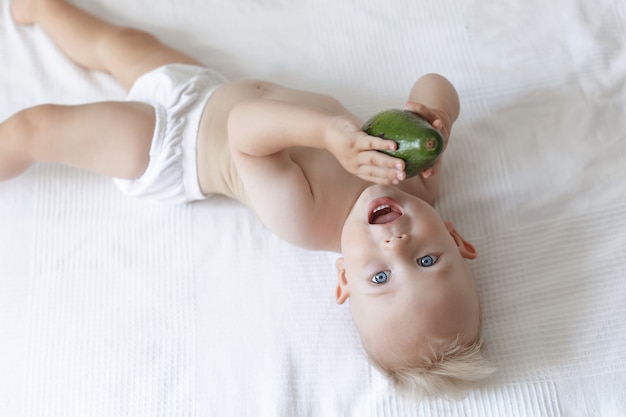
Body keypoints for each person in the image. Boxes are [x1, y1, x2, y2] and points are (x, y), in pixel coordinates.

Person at [3, 0, 494, 398]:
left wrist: (329, 134)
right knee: (121, 45)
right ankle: (43, 11)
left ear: (345, 275)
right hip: (208, 89)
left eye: (380, 277)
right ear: (455, 236)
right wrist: (434, 117)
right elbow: (435, 83)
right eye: (428, 258)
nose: (397, 244)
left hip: (169, 146)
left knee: (37, 127)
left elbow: (244, 133)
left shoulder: (307, 219)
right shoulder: (417, 179)